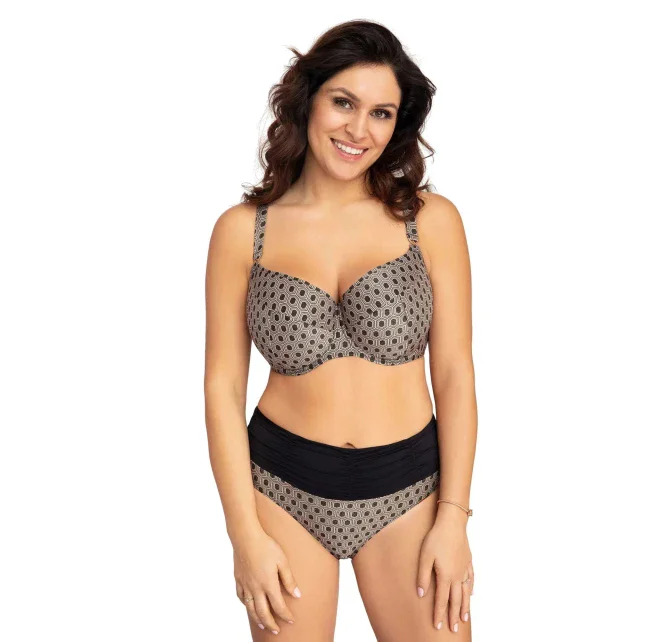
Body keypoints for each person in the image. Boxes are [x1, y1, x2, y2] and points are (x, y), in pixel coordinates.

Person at [204, 19, 478, 641]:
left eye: (381, 113)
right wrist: (244, 533)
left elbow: (455, 375)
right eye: (344, 103)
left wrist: (453, 518)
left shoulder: (430, 220)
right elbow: (222, 388)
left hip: (411, 488)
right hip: (281, 488)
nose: (359, 130)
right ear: (308, 99)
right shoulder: (242, 231)